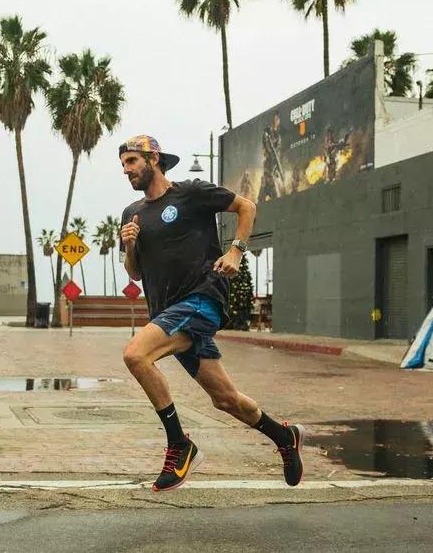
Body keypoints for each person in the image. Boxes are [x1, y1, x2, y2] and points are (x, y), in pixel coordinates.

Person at [117, 135, 304, 492]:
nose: (127, 170)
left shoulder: (191, 192)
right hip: (169, 312)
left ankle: (179, 444)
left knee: (135, 354)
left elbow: (246, 206)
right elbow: (135, 273)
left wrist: (235, 251)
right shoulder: (132, 214)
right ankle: (284, 437)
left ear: (153, 159)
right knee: (226, 400)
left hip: (201, 299)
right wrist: (129, 247)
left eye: (132, 162)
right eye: (123, 164)